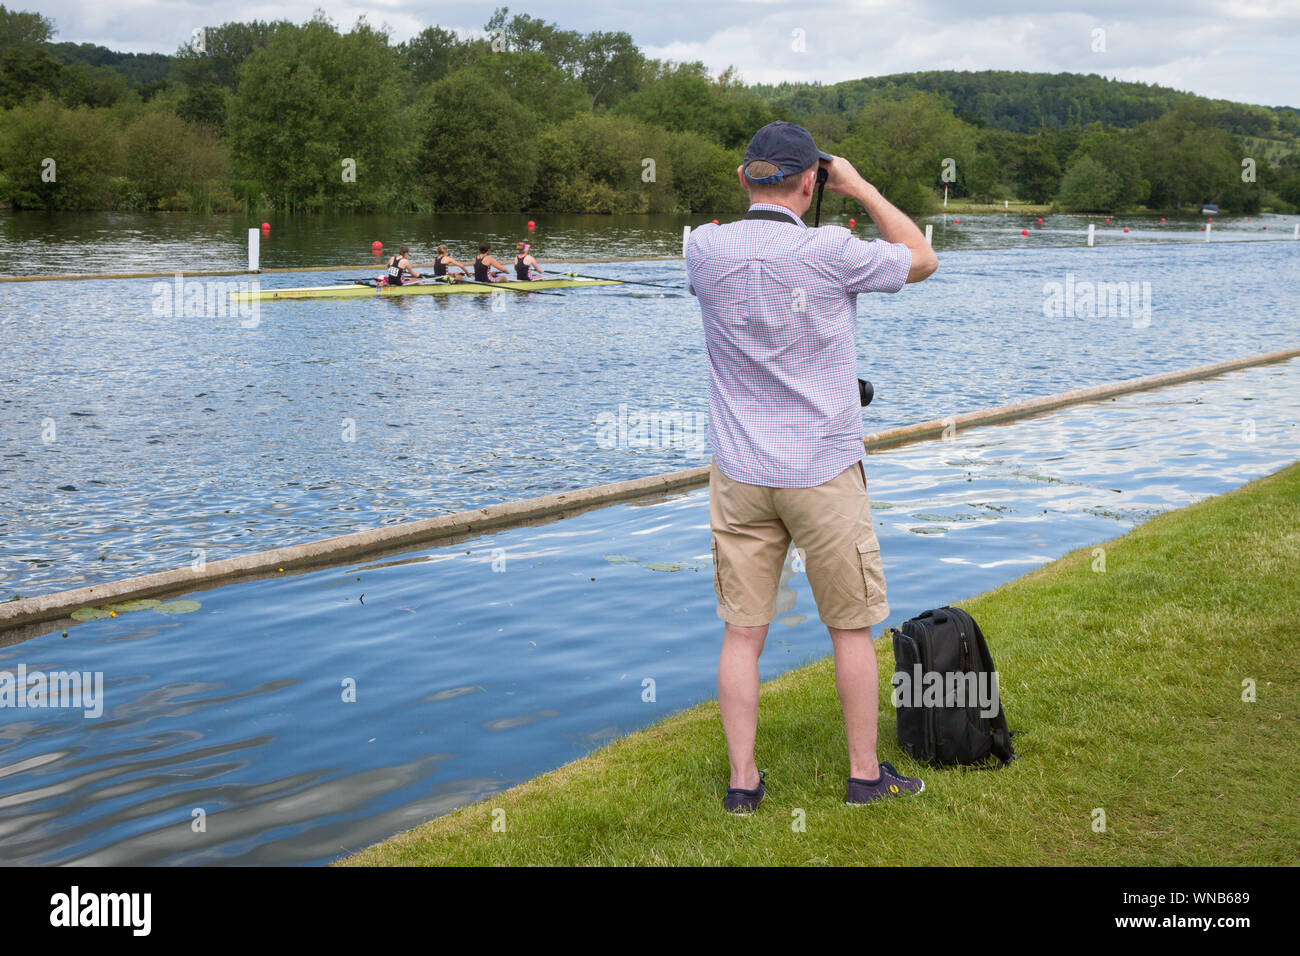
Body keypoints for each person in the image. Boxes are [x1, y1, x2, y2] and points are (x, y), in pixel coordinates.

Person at [685, 121, 938, 814]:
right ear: (810, 182)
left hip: (740, 471)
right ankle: (863, 777)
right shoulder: (833, 250)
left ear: (744, 178)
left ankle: (743, 787)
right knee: (849, 627)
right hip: (822, 468)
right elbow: (921, 257)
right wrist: (857, 185)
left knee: (743, 632)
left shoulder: (702, 247)